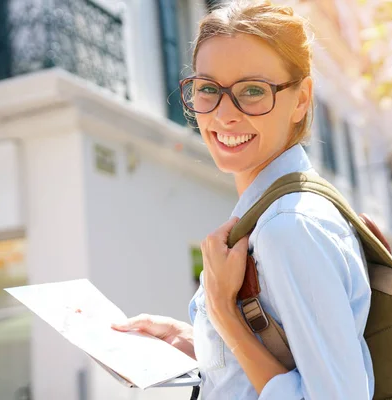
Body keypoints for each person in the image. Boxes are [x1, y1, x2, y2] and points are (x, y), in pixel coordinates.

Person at [111, 1, 374, 399]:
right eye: (208, 90)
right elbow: (281, 363)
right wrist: (195, 341)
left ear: (301, 98)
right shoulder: (269, 215)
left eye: (252, 91)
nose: (224, 115)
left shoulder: (289, 228)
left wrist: (224, 315)